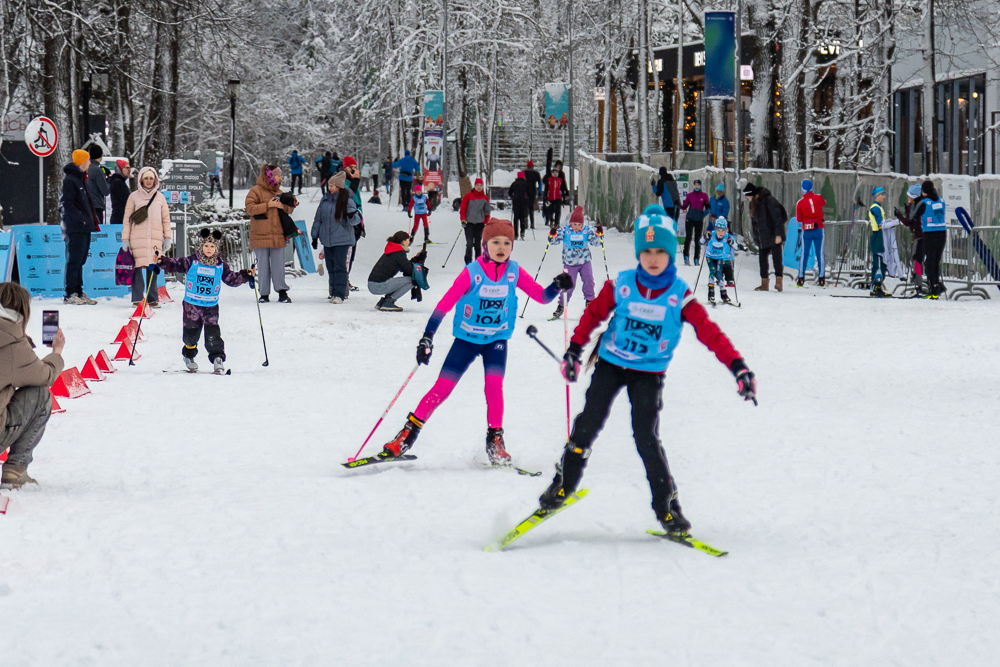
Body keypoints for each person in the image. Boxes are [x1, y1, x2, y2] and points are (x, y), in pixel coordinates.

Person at [538, 205, 756, 535]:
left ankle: (667, 506)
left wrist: (738, 367)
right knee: (586, 425)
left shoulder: (678, 295)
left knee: (645, 437)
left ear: (670, 254)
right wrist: (574, 350)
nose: (653, 259)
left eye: (660, 252)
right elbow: (593, 315)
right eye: (647, 252)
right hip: (611, 364)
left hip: (648, 373)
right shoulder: (622, 285)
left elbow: (710, 333)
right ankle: (563, 484)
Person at [377, 218, 573, 466]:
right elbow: (444, 304)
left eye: (507, 243)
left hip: (496, 341)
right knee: (442, 388)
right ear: (485, 245)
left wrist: (556, 286)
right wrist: (427, 336)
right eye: (495, 242)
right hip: (466, 340)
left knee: (494, 388)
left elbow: (542, 297)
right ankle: (406, 436)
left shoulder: (513, 272)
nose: (501, 247)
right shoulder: (472, 272)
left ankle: (495, 442)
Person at [157, 230, 256, 373]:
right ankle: (189, 356)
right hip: (192, 305)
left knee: (213, 334)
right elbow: (175, 264)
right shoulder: (192, 261)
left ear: (216, 248)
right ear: (201, 246)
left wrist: (246, 275)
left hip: (210, 306)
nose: (209, 249)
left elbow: (232, 279)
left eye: (212, 246)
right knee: (191, 335)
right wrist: (163, 261)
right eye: (206, 246)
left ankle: (217, 359)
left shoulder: (220, 265)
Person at [0, 283, 65, 489]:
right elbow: (45, 375)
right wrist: (57, 351)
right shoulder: (13, 345)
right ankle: (15, 469)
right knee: (40, 396)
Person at [245, 164, 296, 303]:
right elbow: (250, 208)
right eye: (278, 175)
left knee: (279, 265)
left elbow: (289, 210)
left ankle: (282, 291)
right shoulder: (255, 191)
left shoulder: (279, 192)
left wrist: (287, 204)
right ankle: (264, 293)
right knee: (263, 265)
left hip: (277, 233)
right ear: (270, 176)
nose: (280, 178)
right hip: (260, 234)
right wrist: (268, 205)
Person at [122, 167, 172, 308]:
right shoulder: (133, 197)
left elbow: (166, 219)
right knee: (137, 269)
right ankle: (137, 299)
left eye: (151, 178)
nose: (149, 181)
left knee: (153, 268)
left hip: (155, 239)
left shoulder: (160, 197)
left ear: (155, 180)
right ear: (141, 180)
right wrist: (125, 239)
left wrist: (167, 237)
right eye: (146, 178)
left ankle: (152, 299)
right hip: (137, 238)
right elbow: (127, 219)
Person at [311, 171, 361, 303]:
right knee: (331, 267)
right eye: (329, 185)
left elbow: (356, 220)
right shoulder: (325, 200)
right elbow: (318, 219)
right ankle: (333, 293)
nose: (329, 188)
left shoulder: (347, 200)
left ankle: (339, 294)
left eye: (332, 186)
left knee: (340, 267)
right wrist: (315, 236)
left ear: (339, 187)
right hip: (328, 240)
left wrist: (351, 216)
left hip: (342, 239)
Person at [548, 205, 602, 319]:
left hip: (585, 261)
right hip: (570, 263)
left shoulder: (587, 230)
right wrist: (553, 234)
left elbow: (596, 243)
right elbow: (553, 241)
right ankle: (561, 305)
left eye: (579, 224)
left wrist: (599, 234)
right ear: (570, 223)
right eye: (574, 224)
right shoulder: (565, 230)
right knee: (568, 285)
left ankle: (590, 303)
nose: (577, 227)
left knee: (589, 281)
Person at [61, 149, 99, 305]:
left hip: (85, 226)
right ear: (82, 161)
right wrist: (81, 219)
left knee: (81, 260)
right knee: (74, 260)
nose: (89, 163)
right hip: (76, 227)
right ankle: (70, 293)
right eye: (88, 160)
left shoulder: (81, 179)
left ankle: (78, 291)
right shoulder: (70, 180)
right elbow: (68, 203)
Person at [368, 231, 427, 312]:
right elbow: (410, 271)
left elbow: (405, 267)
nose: (409, 242)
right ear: (403, 241)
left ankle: (383, 302)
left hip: (373, 284)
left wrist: (416, 258)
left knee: (408, 279)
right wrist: (419, 260)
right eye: (408, 239)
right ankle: (389, 301)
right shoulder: (398, 253)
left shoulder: (393, 250)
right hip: (378, 285)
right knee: (412, 281)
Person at [743, 183, 786, 292]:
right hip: (762, 236)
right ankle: (764, 283)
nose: (747, 198)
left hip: (773, 234)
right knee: (762, 260)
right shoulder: (753, 204)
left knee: (777, 258)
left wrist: (778, 234)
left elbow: (778, 218)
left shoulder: (769, 200)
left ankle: (779, 282)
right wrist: (756, 237)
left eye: (748, 196)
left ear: (752, 194)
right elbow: (755, 223)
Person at [908, 180, 947, 299]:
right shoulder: (941, 201)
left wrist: (914, 203)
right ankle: (936, 285)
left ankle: (934, 289)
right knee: (936, 261)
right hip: (942, 233)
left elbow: (912, 216)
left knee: (929, 262)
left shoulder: (924, 203)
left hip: (930, 234)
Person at [895, 184, 926, 295]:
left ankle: (919, 285)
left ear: (913, 196)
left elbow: (908, 222)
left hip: (918, 237)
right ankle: (918, 283)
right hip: (923, 236)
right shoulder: (921, 204)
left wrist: (899, 215)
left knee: (916, 261)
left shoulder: (914, 206)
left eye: (909, 196)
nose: (908, 198)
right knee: (918, 261)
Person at [795, 179, 826, 287]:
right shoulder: (818, 198)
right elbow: (823, 203)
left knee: (805, 253)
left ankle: (801, 277)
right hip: (818, 228)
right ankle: (821, 277)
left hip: (807, 229)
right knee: (820, 253)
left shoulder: (800, 202)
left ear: (802, 189)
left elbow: (799, 219)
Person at [703, 217, 737, 304]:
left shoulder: (727, 236)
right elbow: (701, 241)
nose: (721, 233)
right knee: (712, 271)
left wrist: (732, 243)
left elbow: (736, 246)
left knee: (719, 273)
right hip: (710, 257)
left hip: (719, 257)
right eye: (718, 230)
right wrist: (705, 237)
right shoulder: (712, 234)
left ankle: (723, 294)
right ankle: (711, 293)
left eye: (723, 230)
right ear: (715, 229)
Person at [460, 178, 491, 263]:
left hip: (480, 223)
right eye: (477, 185)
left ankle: (478, 262)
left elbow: (487, 212)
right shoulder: (468, 196)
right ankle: (468, 262)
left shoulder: (485, 198)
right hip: (469, 223)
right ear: (475, 185)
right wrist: (463, 219)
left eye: (481, 185)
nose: (479, 187)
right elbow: (463, 208)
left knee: (478, 244)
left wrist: (487, 221)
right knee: (469, 244)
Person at [680, 179, 710, 265]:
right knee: (688, 238)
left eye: (698, 185)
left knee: (698, 239)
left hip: (699, 220)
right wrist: (678, 205)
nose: (696, 186)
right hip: (690, 218)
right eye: (695, 185)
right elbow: (685, 206)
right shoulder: (690, 195)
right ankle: (686, 257)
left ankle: (696, 258)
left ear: (700, 186)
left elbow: (708, 207)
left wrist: (703, 214)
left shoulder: (704, 195)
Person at [85, 144, 111, 226]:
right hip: (96, 206)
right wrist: (109, 179)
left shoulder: (85, 167)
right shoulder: (98, 170)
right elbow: (105, 191)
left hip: (84, 205)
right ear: (100, 156)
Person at [508, 171, 531, 240]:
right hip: (524, 202)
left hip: (516, 202)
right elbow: (529, 193)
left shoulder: (514, 183)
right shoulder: (526, 183)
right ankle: (522, 232)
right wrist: (528, 199)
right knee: (523, 217)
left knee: (516, 217)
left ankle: (515, 234)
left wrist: (513, 197)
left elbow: (509, 192)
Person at [108, 160, 132, 225]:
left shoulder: (118, 181)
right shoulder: (118, 182)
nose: (129, 170)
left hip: (120, 217)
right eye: (127, 168)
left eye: (129, 168)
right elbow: (127, 199)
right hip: (120, 218)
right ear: (120, 169)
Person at [524, 160, 542, 229]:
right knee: (531, 207)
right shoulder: (536, 173)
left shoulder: (523, 172)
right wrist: (539, 192)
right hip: (533, 191)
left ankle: (525, 223)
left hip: (525, 191)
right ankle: (532, 223)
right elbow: (540, 183)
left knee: (525, 207)